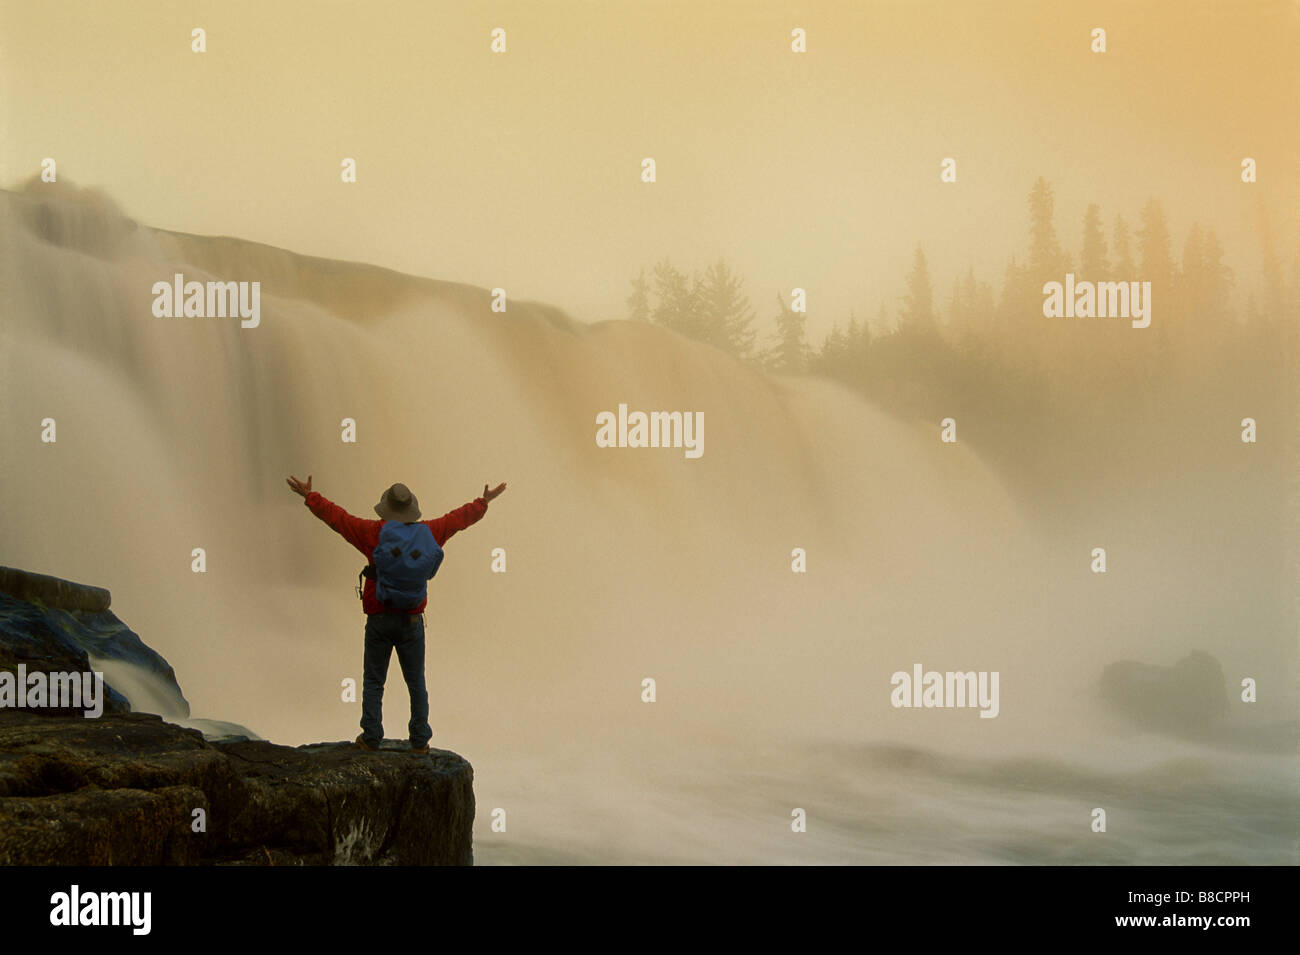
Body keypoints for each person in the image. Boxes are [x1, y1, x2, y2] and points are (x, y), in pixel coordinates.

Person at [285, 474, 506, 753]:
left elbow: (338, 519)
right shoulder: (430, 532)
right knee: (416, 682)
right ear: (411, 508)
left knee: (375, 681)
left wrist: (310, 497)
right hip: (411, 621)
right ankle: (420, 740)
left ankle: (371, 736)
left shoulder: (373, 534)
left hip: (379, 619)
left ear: (386, 508)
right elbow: (456, 520)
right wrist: (483, 502)